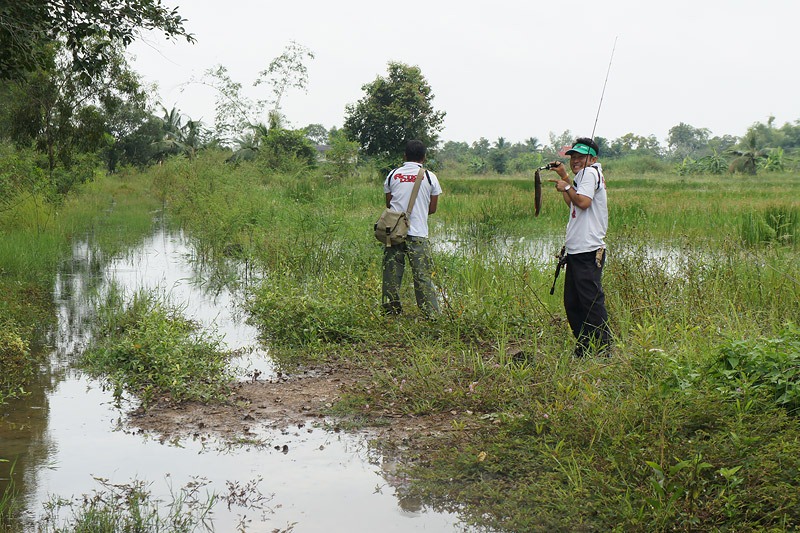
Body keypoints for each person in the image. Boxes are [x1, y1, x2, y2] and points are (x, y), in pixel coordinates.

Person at [547, 137, 612, 356]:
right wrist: (565, 177)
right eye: (573, 157)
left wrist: (566, 185)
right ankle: (586, 347)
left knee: (590, 303)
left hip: (588, 250)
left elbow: (583, 202)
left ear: (593, 158)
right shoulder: (585, 176)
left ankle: (603, 349)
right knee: (574, 303)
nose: (576, 161)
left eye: (581, 157)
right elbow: (573, 202)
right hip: (577, 251)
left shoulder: (590, 173)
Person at [382, 140, 442, 317]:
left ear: (404, 156)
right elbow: (432, 209)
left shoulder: (392, 175)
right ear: (424, 157)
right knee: (423, 276)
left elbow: (389, 205)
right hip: (418, 235)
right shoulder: (430, 177)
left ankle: (391, 312)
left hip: (393, 234)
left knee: (391, 275)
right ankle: (431, 314)